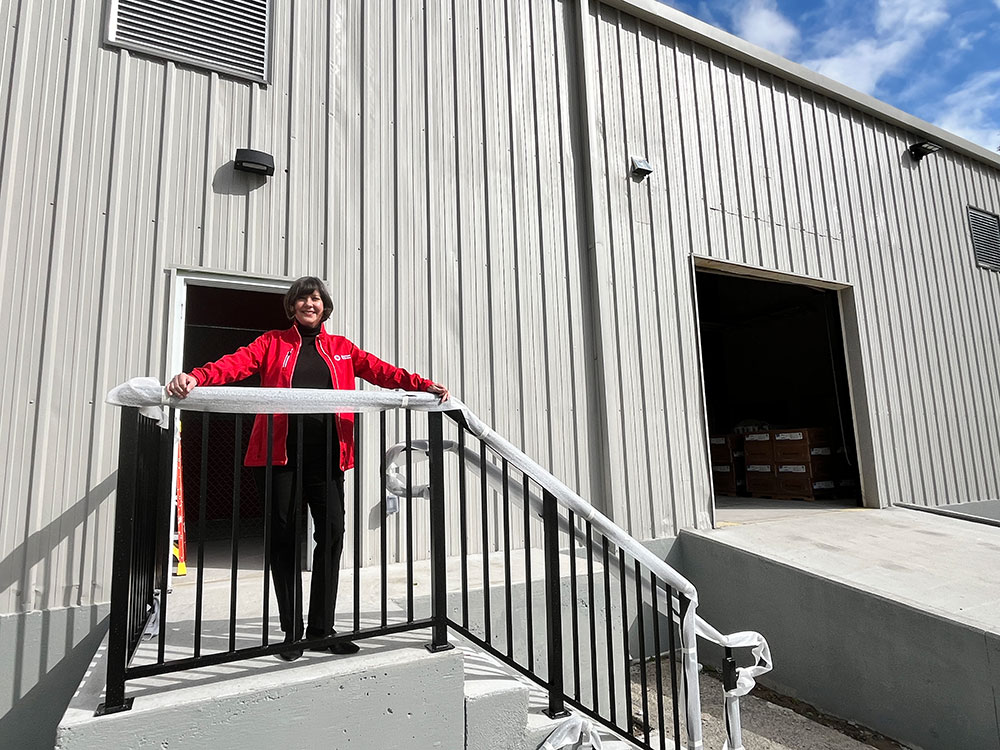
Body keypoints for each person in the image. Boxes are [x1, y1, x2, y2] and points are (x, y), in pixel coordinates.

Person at [167, 276, 449, 661]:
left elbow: (383, 372)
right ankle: (291, 633)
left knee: (332, 533)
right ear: (292, 307)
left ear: (325, 306)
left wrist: (423, 386)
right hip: (277, 456)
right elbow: (234, 365)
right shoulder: (271, 343)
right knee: (282, 539)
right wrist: (196, 376)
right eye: (301, 299)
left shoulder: (342, 348)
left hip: (329, 456)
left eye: (315, 298)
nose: (309, 304)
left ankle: (321, 629)